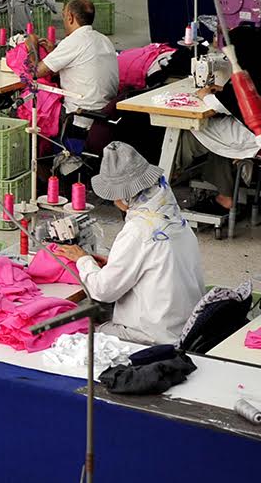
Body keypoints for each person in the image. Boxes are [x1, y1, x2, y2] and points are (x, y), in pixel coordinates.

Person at [49, 143, 204, 344]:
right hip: (186, 326)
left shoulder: (138, 230)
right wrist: (113, 263)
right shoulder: (173, 216)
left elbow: (103, 291)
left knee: (71, 333)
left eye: (114, 197)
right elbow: (154, 262)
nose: (114, 202)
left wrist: (83, 259)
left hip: (155, 336)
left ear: (124, 196)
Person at [186, 25, 261, 214]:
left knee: (199, 126)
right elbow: (240, 97)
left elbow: (218, 105)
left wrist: (205, 95)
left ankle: (223, 197)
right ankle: (225, 187)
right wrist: (226, 91)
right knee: (220, 129)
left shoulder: (255, 75)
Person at [30, 0, 120, 150]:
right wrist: (54, 52)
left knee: (25, 109)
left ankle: (34, 159)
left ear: (70, 17)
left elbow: (35, 72)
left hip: (80, 117)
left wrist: (31, 43)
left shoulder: (74, 41)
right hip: (105, 113)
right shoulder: (104, 40)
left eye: (64, 16)